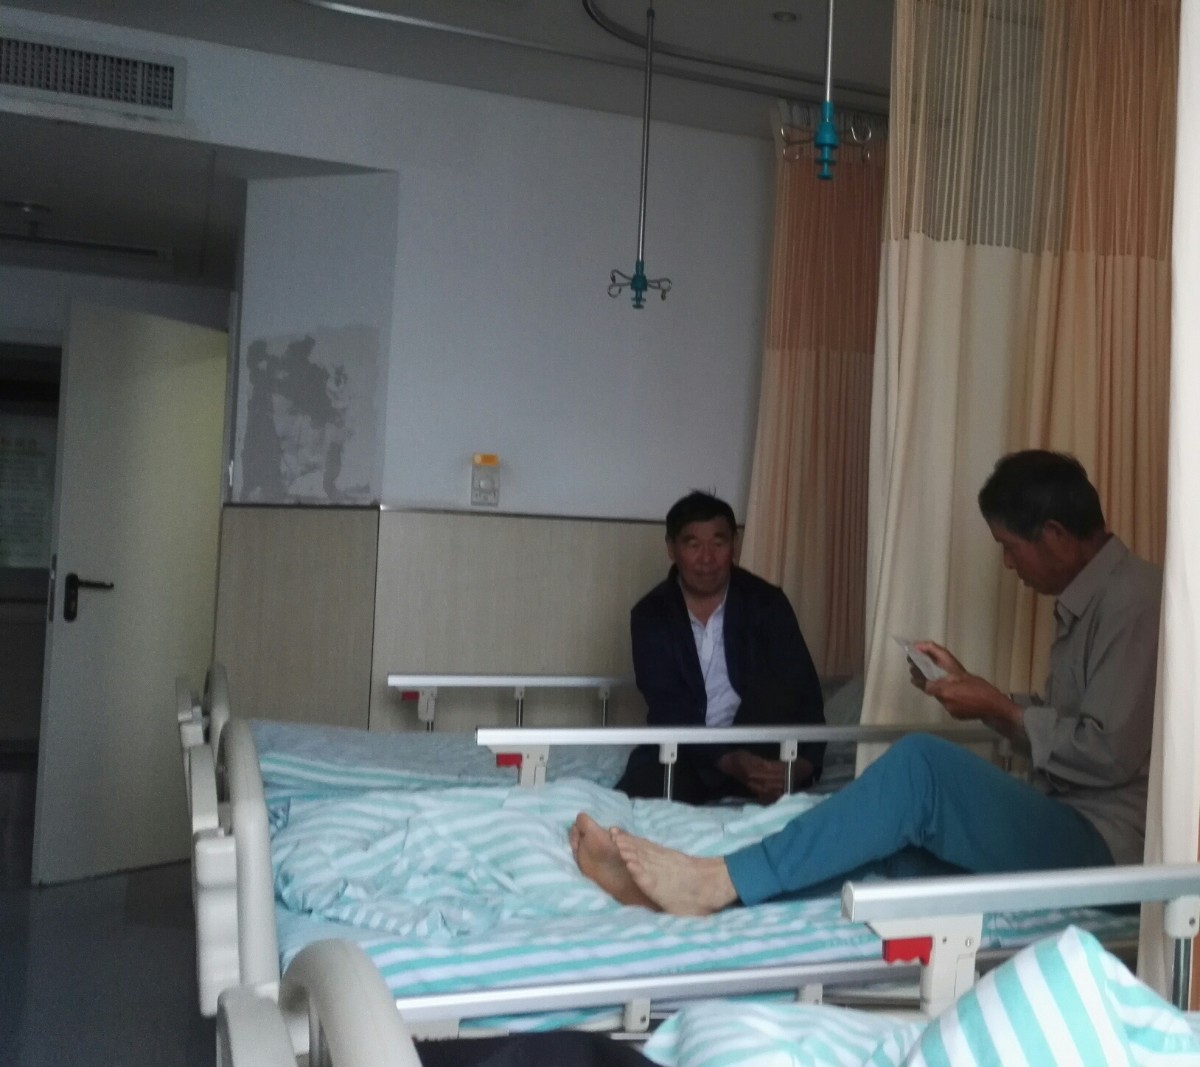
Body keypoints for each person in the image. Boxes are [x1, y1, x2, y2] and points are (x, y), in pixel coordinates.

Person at [575, 451, 1162, 915]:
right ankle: (695, 894)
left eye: (1010, 549)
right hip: (1064, 820)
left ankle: (714, 880)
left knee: (921, 765)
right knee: (889, 851)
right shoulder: (1090, 603)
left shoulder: (1134, 601)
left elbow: (1106, 753)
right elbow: (1072, 728)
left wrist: (997, 707)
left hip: (1103, 846)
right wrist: (982, 697)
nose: (1010, 566)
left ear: (1054, 534)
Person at [614, 490, 825, 805]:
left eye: (718, 543)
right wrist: (727, 760)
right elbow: (667, 707)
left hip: (758, 745)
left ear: (734, 545)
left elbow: (802, 690)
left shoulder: (766, 603)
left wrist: (802, 766)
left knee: (777, 694)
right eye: (693, 545)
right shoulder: (651, 615)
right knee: (639, 788)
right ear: (672, 548)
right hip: (688, 752)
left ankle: (756, 784)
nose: (707, 559)